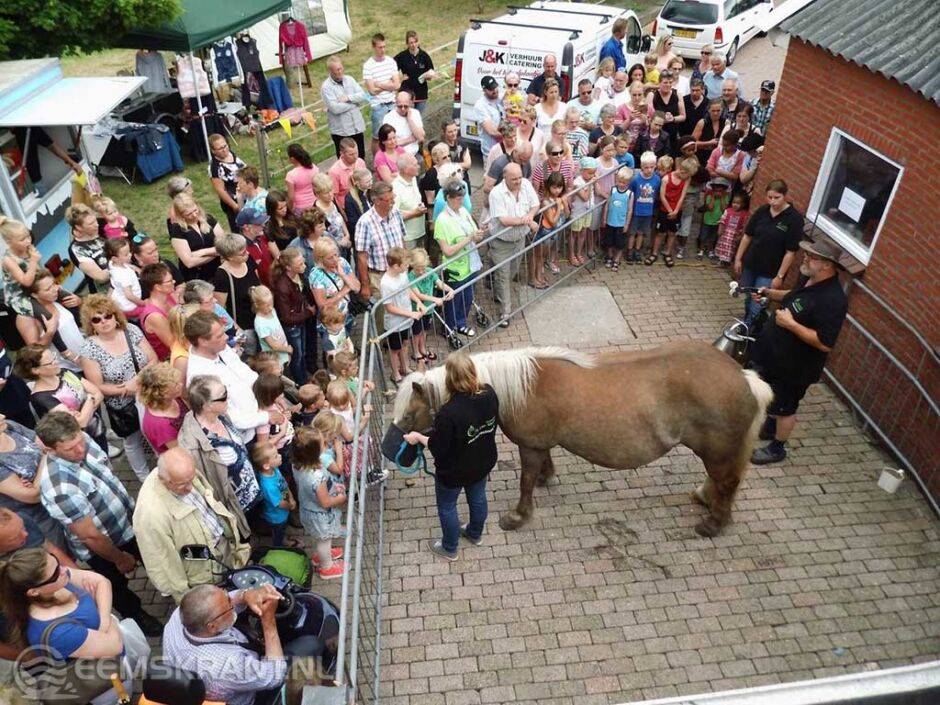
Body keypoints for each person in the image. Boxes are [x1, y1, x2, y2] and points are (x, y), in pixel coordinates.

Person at [34, 411, 162, 634]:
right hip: (103, 547)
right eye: (71, 448)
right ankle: (136, 614)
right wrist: (119, 558)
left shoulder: (83, 441)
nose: (80, 449)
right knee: (116, 586)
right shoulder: (59, 488)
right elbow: (90, 535)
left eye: (80, 441)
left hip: (128, 524)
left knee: (155, 559)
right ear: (50, 450)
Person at [749, 239, 848, 465]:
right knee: (773, 397)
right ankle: (770, 427)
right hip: (775, 357)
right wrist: (769, 293)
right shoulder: (808, 279)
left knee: (785, 406)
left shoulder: (834, 300)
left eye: (811, 257)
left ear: (827, 265)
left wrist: (791, 324)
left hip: (796, 367)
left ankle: (777, 448)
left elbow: (825, 342)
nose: (805, 258)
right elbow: (792, 296)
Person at [404, 352, 499, 561]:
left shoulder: (448, 413)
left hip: (455, 471)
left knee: (447, 506)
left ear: (450, 379)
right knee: (478, 497)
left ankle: (449, 547)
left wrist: (418, 437)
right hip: (482, 461)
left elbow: (439, 448)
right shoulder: (490, 393)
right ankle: (475, 533)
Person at [134, 447, 249, 601]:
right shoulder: (150, 515)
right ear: (163, 480)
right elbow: (162, 563)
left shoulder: (182, 473)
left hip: (222, 550)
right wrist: (184, 597)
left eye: (191, 480)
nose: (190, 488)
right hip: (202, 575)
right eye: (183, 485)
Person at [162, 582, 287, 705]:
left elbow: (222, 605)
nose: (232, 601)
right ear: (212, 627)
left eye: (227, 596)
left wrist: (245, 594)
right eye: (230, 605)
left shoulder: (180, 615)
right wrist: (268, 619)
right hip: (244, 696)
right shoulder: (230, 665)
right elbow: (275, 674)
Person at [0, 548, 125, 671]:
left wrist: (103, 623)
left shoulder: (57, 579)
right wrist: (105, 612)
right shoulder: (58, 633)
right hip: (106, 676)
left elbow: (102, 582)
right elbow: (115, 645)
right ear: (33, 591)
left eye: (56, 562)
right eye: (55, 574)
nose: (64, 570)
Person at [79, 295, 157, 481]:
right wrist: (125, 390)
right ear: (91, 324)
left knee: (155, 432)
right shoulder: (89, 349)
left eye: (107, 316)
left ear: (116, 316)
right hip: (122, 404)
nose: (104, 322)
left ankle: (165, 465)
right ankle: (144, 477)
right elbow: (97, 385)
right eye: (97, 319)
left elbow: (153, 359)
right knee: (132, 441)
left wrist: (137, 382)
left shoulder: (131, 330)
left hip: (148, 393)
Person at [177, 375, 260, 538]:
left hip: (249, 490)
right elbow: (204, 486)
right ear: (207, 406)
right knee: (244, 537)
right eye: (223, 396)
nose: (228, 397)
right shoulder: (193, 445)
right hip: (233, 504)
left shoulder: (221, 415)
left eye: (226, 391)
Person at [184, 311, 279, 443]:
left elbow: (244, 372)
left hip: (260, 413)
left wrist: (268, 393)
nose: (226, 338)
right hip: (245, 437)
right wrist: (266, 417)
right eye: (219, 336)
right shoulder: (200, 377)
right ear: (202, 341)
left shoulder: (219, 347)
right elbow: (228, 417)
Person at [734, 179, 805, 327]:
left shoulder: (794, 219)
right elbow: (747, 236)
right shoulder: (762, 211)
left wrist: (779, 276)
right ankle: (748, 322)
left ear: (785, 195)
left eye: (776, 198)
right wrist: (738, 259)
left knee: (758, 302)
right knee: (748, 296)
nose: (772, 201)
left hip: (769, 271)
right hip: (751, 264)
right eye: (769, 197)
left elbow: (790, 252)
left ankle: (748, 328)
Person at [14, 344, 107, 451]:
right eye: (51, 362)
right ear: (35, 370)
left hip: (97, 429)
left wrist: (86, 408)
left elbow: (98, 393)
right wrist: (90, 398)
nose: (56, 362)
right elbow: (80, 422)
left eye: (54, 357)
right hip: (78, 444)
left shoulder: (64, 372)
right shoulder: (41, 397)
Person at [0, 413, 64, 544]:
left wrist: (35, 480)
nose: (2, 416)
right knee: (60, 554)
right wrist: (46, 456)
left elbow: (46, 445)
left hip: (59, 497)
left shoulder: (10, 427)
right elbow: (33, 496)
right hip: (40, 520)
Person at [488, 163, 539, 326]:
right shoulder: (496, 193)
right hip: (501, 242)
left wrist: (530, 216)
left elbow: (535, 204)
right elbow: (504, 220)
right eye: (514, 179)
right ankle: (505, 313)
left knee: (512, 272)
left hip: (519, 240)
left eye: (519, 178)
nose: (518, 181)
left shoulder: (526, 184)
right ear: (505, 178)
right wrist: (526, 221)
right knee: (503, 276)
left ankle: (496, 287)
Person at [293, 427, 346, 579]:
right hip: (320, 515)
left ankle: (324, 555)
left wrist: (333, 486)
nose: (326, 446)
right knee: (324, 539)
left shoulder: (299, 465)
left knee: (321, 538)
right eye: (323, 444)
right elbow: (325, 502)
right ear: (315, 452)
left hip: (308, 509)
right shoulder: (316, 476)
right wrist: (340, 498)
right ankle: (326, 567)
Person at [435, 180, 483, 338]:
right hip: (454, 270)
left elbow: (473, 234)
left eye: (462, 197)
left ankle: (461, 324)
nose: (461, 201)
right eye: (457, 198)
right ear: (448, 198)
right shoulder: (441, 221)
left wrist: (478, 235)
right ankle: (448, 328)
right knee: (452, 301)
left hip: (471, 265)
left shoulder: (463, 212)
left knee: (467, 297)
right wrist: (469, 239)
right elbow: (447, 251)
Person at [355, 182, 406, 331]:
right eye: (389, 200)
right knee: (381, 315)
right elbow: (361, 257)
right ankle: (380, 348)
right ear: (377, 201)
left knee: (400, 307)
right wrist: (365, 285)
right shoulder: (364, 223)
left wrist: (406, 262)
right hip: (379, 277)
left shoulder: (396, 213)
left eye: (393, 198)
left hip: (398, 272)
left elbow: (402, 239)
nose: (393, 202)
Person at [16, 269, 84, 372]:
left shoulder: (56, 298)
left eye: (54, 284)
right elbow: (34, 353)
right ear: (34, 295)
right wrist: (50, 332)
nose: (55, 289)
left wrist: (80, 301)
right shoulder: (26, 318)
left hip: (85, 356)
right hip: (66, 368)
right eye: (48, 289)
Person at [272, 248, 316, 385]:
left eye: (303, 262)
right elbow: (286, 317)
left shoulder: (299, 275)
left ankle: (304, 376)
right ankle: (301, 383)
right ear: (288, 267)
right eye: (300, 264)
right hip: (292, 326)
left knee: (302, 352)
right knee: (297, 356)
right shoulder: (283, 286)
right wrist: (309, 312)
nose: (304, 266)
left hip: (300, 320)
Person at [213, 232, 262, 340]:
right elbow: (219, 308)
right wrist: (237, 330)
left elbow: (258, 282)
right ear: (230, 257)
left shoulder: (248, 260)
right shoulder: (222, 275)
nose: (247, 253)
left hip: (261, 318)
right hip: (244, 326)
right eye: (243, 253)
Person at [320, 55, 367, 159]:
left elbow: (363, 95)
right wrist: (354, 103)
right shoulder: (326, 87)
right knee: (346, 160)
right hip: (342, 132)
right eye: (337, 70)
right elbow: (335, 109)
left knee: (360, 157)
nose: (340, 71)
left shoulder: (350, 79)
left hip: (357, 128)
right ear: (330, 71)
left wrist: (348, 98)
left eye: (341, 68)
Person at [169, 192, 223, 282]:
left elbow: (224, 244)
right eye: (189, 214)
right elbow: (189, 262)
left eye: (195, 210)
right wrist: (216, 252)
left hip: (218, 270)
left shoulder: (208, 219)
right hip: (197, 277)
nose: (194, 215)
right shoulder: (177, 230)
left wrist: (199, 253)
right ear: (181, 215)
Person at [363, 33, 402, 156]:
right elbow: (371, 91)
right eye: (380, 47)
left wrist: (379, 83)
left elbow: (397, 85)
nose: (383, 50)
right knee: (377, 136)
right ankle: (377, 161)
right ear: (374, 47)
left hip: (391, 102)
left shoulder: (391, 62)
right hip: (378, 105)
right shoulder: (368, 65)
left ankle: (393, 156)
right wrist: (388, 85)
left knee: (393, 134)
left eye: (384, 46)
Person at [649, 157, 690, 268]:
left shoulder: (687, 178)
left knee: (672, 233)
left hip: (677, 211)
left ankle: (667, 253)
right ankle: (654, 252)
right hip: (664, 210)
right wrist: (670, 210)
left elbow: (682, 196)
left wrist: (676, 210)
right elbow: (662, 195)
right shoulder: (666, 179)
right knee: (660, 232)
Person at [251, 442, 294, 547]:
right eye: (276, 456)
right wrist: (291, 505)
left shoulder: (274, 469)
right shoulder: (268, 486)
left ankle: (283, 539)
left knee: (283, 529)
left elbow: (283, 484)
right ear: (266, 465)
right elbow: (279, 503)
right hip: (277, 517)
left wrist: (290, 497)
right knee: (278, 533)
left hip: (284, 510)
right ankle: (278, 547)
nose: (280, 456)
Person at [139, 362, 187, 455]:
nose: (181, 385)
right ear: (163, 393)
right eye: (176, 385)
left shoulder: (169, 399)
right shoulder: (162, 425)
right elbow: (181, 452)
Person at [0, 507, 75, 566]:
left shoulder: (22, 520)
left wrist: (83, 576)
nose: (26, 534)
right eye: (15, 538)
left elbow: (51, 549)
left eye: (23, 527)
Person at [1, 217, 41, 320]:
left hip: (34, 288)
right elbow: (25, 281)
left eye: (28, 236)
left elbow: (38, 272)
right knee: (47, 315)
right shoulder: (8, 260)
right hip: (19, 296)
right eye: (22, 239)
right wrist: (33, 261)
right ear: (9, 242)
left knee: (66, 297)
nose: (28, 241)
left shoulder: (26, 248)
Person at [138, 262, 179, 360]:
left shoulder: (169, 297)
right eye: (169, 281)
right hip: (170, 358)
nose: (174, 281)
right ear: (158, 287)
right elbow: (173, 344)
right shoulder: (154, 316)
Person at [66, 204, 110, 294]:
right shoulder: (77, 249)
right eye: (91, 223)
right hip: (106, 292)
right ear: (78, 227)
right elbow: (101, 277)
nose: (96, 225)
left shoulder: (101, 224)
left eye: (95, 220)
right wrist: (120, 261)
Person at [626, 152, 660, 264]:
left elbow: (656, 195)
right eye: (646, 167)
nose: (649, 170)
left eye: (652, 167)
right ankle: (630, 251)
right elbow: (631, 194)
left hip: (648, 212)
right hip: (636, 211)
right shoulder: (636, 179)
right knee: (632, 232)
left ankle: (637, 250)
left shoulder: (657, 179)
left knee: (641, 233)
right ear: (641, 167)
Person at [395, 30, 437, 114]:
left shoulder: (424, 56)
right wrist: (399, 79)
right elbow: (390, 68)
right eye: (411, 43)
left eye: (415, 42)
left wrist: (428, 76)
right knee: (407, 119)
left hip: (421, 95)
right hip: (407, 95)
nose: (413, 45)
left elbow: (431, 71)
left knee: (417, 120)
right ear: (407, 43)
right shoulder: (402, 56)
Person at [393, 153, 427, 249]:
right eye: (415, 165)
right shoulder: (396, 188)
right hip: (408, 239)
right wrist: (414, 213)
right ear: (405, 170)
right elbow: (393, 215)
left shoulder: (413, 179)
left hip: (420, 232)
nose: (419, 166)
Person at [602, 167, 634, 271]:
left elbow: (630, 210)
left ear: (628, 182)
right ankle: (610, 257)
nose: (621, 184)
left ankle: (617, 260)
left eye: (624, 182)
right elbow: (608, 204)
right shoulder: (613, 190)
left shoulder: (630, 194)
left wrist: (626, 224)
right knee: (609, 242)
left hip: (621, 223)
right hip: (610, 222)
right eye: (619, 181)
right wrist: (604, 217)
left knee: (620, 244)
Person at [328, 137, 367, 210]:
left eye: (356, 152)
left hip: (363, 200)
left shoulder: (360, 162)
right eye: (351, 154)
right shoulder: (334, 171)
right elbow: (335, 197)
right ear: (342, 153)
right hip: (348, 207)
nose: (355, 157)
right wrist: (343, 214)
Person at [648, 70, 685, 146]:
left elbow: (683, 116)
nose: (668, 85)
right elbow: (649, 116)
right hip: (656, 134)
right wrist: (663, 118)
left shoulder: (678, 94)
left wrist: (673, 119)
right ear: (659, 83)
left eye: (670, 82)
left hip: (672, 134)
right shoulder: (652, 95)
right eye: (665, 82)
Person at [382, 91, 425, 157]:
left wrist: (409, 119)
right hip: (398, 155)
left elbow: (421, 138)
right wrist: (410, 139)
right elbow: (389, 144)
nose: (403, 109)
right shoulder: (388, 118)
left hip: (415, 153)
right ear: (396, 103)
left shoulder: (415, 113)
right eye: (400, 106)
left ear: (410, 103)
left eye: (406, 106)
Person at [715, 192, 750, 267]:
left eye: (738, 203)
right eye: (734, 202)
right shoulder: (728, 211)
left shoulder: (744, 214)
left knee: (731, 249)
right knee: (723, 246)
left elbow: (744, 225)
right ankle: (721, 260)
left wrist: (740, 234)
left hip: (734, 234)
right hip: (726, 233)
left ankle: (727, 261)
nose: (735, 205)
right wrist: (720, 228)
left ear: (743, 204)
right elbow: (722, 219)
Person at [284, 143, 320, 216]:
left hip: (300, 208)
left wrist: (290, 210)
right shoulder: (313, 167)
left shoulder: (291, 175)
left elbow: (291, 197)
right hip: (316, 203)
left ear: (292, 159)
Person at [474, 76, 505, 158]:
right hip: (491, 152)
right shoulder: (480, 106)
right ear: (484, 90)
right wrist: (512, 134)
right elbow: (492, 131)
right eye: (491, 89)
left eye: (495, 87)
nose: (495, 90)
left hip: (506, 149)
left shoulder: (501, 98)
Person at [344, 168, 373, 237]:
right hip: (364, 233)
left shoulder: (370, 190)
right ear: (357, 183)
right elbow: (354, 223)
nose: (371, 183)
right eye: (367, 182)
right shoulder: (350, 199)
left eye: (371, 179)